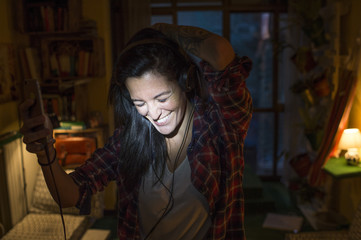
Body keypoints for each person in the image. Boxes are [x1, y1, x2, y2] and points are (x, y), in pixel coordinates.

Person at [19, 23, 253, 239]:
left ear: (186, 81)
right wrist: (45, 150)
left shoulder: (220, 125)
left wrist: (160, 31)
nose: (153, 113)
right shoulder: (129, 138)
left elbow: (219, 51)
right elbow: (69, 195)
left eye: (162, 97)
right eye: (139, 103)